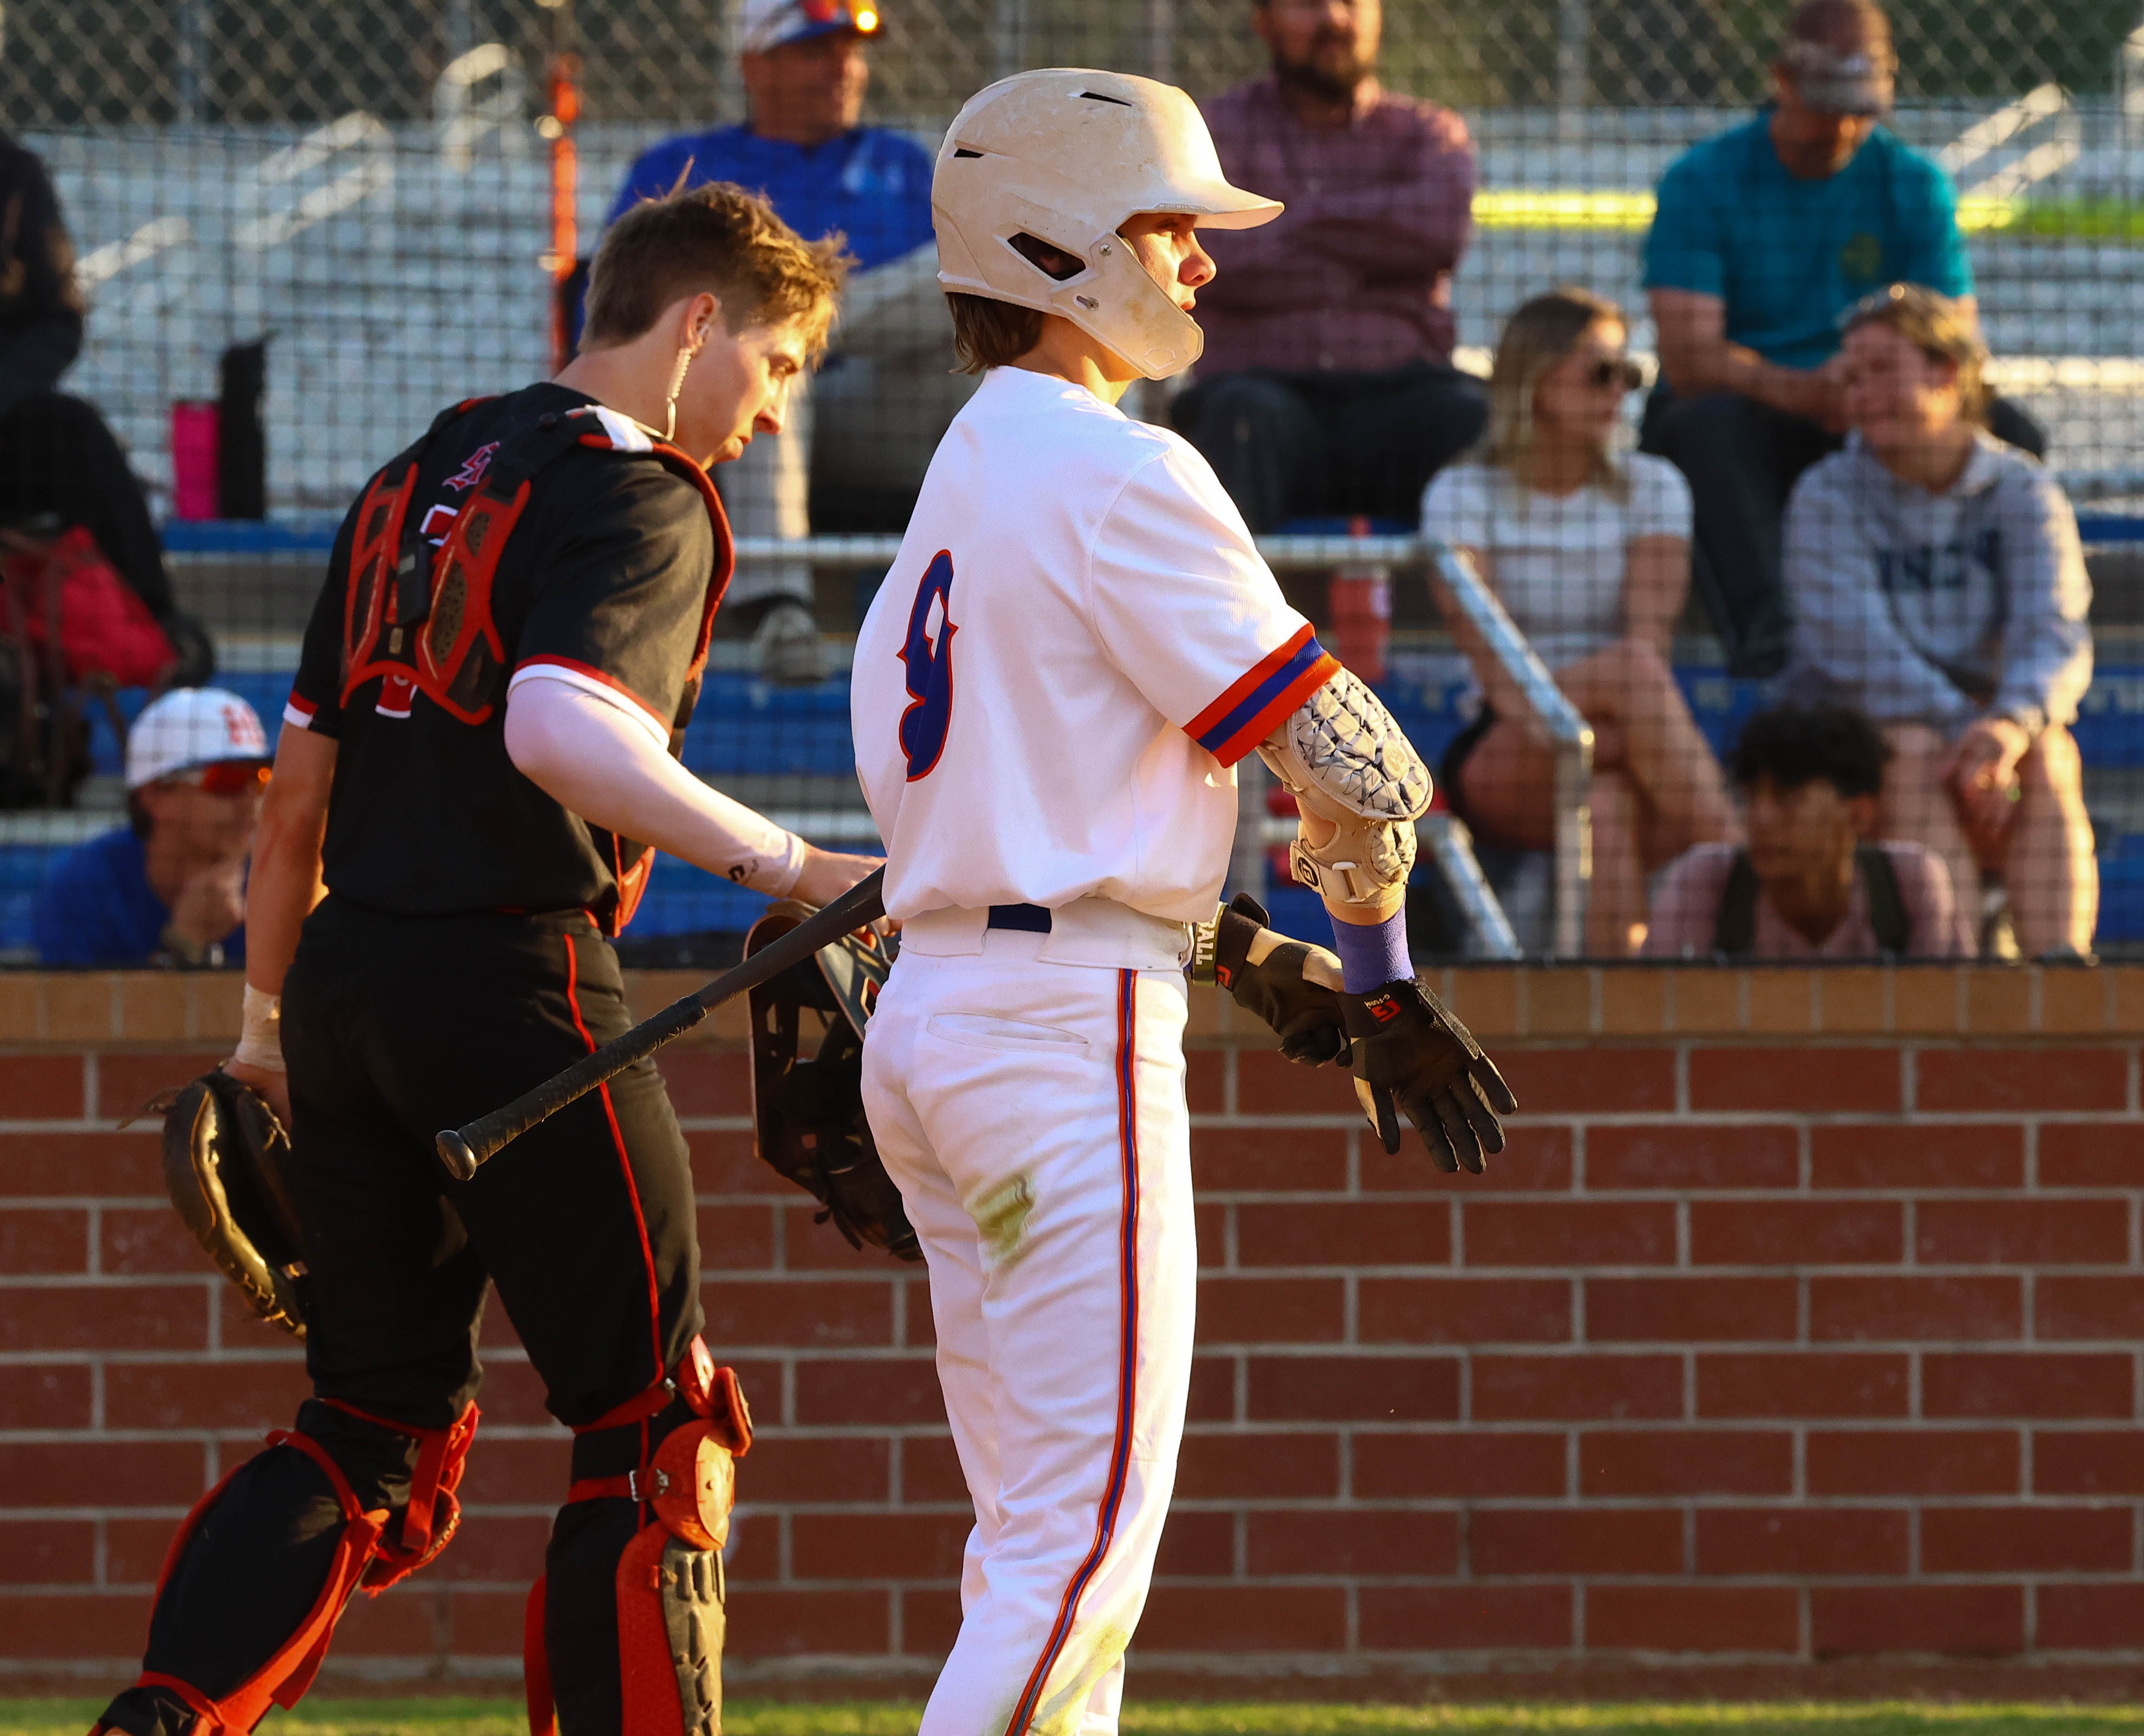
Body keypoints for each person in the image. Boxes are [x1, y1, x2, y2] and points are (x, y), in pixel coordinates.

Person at [92, 184, 884, 1736]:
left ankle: (164, 1717)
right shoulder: (642, 487)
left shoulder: (419, 467)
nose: (771, 417)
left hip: (337, 993)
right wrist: (795, 865)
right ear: (698, 322)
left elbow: (299, 797)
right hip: (514, 984)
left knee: (369, 1421)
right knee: (655, 1420)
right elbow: (556, 726)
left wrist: (264, 1033)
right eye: (775, 366)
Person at [851, 69, 1515, 1736]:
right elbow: (1363, 768)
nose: (1203, 262)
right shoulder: (1104, 465)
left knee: (1029, 1549)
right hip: (1056, 1043)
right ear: (1057, 244)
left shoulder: (954, 480)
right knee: (1078, 1554)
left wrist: (1229, 935)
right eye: (1169, 225)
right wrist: (1373, 972)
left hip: (938, 1030)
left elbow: (1000, 815)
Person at [1638, 0, 2046, 677]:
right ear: (1783, 81)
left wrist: (1872, 387)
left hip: (1875, 398)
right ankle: (1771, 640)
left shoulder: (1913, 183)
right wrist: (1803, 389)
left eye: (1864, 109)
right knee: (1701, 427)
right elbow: (1688, 357)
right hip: (1758, 406)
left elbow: (1953, 342)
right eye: (1830, 105)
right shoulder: (1702, 181)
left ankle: (1989, 636)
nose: (1847, 126)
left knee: (2010, 431)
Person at [607, 0, 951, 679]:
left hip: (884, 415)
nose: (843, 68)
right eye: (815, 50)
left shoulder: (907, 165)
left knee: (974, 282)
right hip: (739, 420)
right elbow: (627, 315)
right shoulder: (685, 166)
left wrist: (783, 317)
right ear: (754, 66)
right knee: (770, 370)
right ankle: (778, 609)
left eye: (851, 50)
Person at [1422, 288, 1738, 958]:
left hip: (1627, 732)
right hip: (1505, 739)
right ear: (1535, 380)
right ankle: (1749, 884)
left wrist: (1611, 747)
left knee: (1610, 804)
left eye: (1630, 374)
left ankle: (1611, 1015)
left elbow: (1649, 640)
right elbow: (1499, 672)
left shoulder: (1655, 485)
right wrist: (1604, 739)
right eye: (1600, 372)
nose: (1619, 391)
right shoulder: (1461, 493)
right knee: (1625, 685)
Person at [1782, 282, 2095, 959]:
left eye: (1883, 372)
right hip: (1860, 731)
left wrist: (2010, 724)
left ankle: (2065, 976)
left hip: (1991, 733)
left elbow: (2057, 631)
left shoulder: (2023, 489)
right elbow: (1855, 650)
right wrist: (1966, 730)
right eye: (1853, 377)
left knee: (2052, 753)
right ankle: (1951, 978)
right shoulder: (1826, 494)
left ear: (1947, 372)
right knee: (1919, 755)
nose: (1862, 396)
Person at [1170, 0, 1483, 532]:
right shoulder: (1209, 132)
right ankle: (1243, 616)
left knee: (1467, 417)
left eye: (1352, 2)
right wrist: (1368, 249)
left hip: (1403, 397)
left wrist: (1293, 221)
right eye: (1308, 3)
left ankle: (1449, 616)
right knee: (1238, 417)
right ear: (1262, 22)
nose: (1334, 18)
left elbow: (1437, 234)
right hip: (1260, 397)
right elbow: (1212, 255)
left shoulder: (1428, 133)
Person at [0, 132, 206, 675]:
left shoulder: (16, 173)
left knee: (75, 431)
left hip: (6, 413)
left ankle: (158, 625)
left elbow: (59, 318)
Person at [1645, 703, 1970, 959]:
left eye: (1787, 798)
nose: (1761, 817)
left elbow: (1955, 1020)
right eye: (1751, 796)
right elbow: (1653, 1016)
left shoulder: (1911, 883)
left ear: (1858, 814)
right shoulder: (1702, 880)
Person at [32, 687, 268, 967]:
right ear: (155, 795)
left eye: (263, 779)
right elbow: (71, 1011)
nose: (251, 801)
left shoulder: (286, 887)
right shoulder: (83, 888)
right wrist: (185, 944)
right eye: (228, 781)